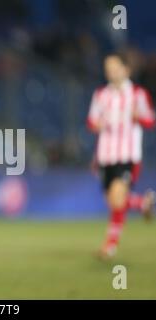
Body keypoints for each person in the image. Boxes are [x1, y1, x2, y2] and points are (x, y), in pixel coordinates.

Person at [87, 53, 156, 259]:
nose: (111, 70)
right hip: (106, 155)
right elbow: (91, 121)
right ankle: (143, 203)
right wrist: (96, 126)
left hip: (127, 155)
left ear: (126, 70)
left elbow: (150, 120)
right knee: (114, 201)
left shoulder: (137, 94)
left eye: (115, 66)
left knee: (118, 197)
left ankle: (109, 246)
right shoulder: (100, 95)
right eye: (107, 67)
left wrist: (140, 117)